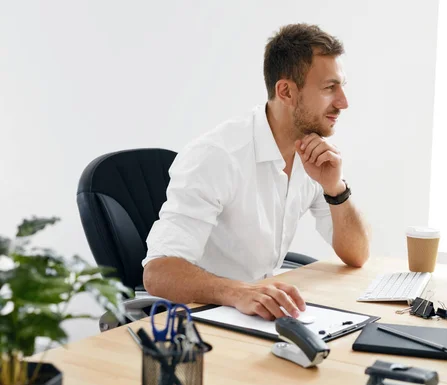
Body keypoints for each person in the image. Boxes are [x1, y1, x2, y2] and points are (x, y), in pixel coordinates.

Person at [142, 23, 370, 320]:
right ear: (286, 91)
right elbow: (158, 272)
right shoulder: (218, 156)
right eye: (329, 88)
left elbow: (357, 255)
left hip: (260, 312)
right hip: (206, 316)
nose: (343, 102)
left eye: (342, 87)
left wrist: (335, 188)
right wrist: (238, 292)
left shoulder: (313, 154)